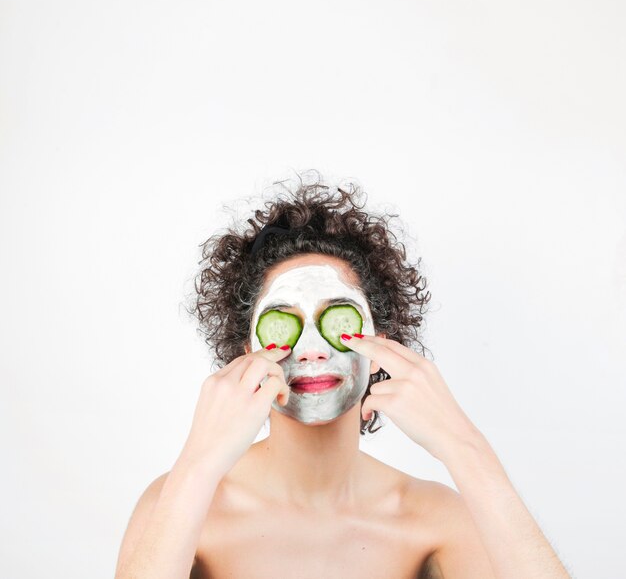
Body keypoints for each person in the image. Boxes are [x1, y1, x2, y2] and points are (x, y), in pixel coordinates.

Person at [114, 172, 572, 579]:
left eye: (338, 320)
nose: (312, 351)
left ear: (379, 350)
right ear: (248, 351)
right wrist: (197, 465)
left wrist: (466, 449)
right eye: (283, 323)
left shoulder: (438, 521)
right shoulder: (178, 506)